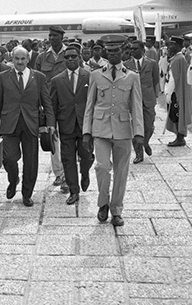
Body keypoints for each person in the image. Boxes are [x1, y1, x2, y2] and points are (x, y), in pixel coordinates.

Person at [83, 40, 144, 227]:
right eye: (108, 51)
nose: (112, 54)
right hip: (100, 129)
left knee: (121, 172)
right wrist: (86, 131)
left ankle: (116, 210)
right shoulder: (96, 75)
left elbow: (136, 106)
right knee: (101, 167)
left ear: (123, 52)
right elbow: (89, 105)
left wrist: (139, 133)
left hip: (123, 129)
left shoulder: (132, 76)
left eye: (116, 50)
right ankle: (103, 203)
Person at [0, 46, 55, 207]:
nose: (20, 62)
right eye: (16, 59)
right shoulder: (3, 77)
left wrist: (50, 123)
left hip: (31, 124)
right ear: (12, 60)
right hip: (9, 124)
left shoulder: (39, 77)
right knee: (9, 158)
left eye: (23, 59)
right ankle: (13, 180)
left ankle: (27, 194)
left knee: (31, 161)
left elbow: (46, 102)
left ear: (28, 59)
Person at [50, 43, 94, 205]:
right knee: (67, 159)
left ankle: (85, 173)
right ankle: (74, 190)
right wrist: (51, 125)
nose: (70, 60)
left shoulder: (89, 76)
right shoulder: (57, 80)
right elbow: (52, 106)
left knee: (86, 157)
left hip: (85, 126)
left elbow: (94, 102)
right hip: (66, 125)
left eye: (73, 56)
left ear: (79, 57)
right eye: (67, 57)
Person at [34, 26, 67, 190]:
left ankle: (68, 173)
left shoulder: (70, 54)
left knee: (68, 137)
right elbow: (36, 81)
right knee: (53, 137)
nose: (51, 38)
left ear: (62, 37)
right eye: (50, 35)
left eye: (55, 35)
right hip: (48, 104)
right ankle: (59, 174)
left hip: (68, 104)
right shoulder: (42, 57)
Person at [124, 40, 159, 162]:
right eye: (131, 49)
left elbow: (155, 81)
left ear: (142, 50)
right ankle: (139, 154)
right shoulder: (126, 65)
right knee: (135, 127)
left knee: (149, 126)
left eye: (135, 49)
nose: (132, 51)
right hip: (132, 100)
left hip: (148, 99)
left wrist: (152, 95)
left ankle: (145, 142)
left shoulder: (152, 63)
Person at [164, 36, 192, 146]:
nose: (170, 47)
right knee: (174, 114)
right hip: (176, 91)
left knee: (177, 114)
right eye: (169, 44)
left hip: (176, 92)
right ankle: (179, 136)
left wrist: (169, 93)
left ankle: (180, 138)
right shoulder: (176, 58)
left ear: (179, 46)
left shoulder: (178, 59)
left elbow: (173, 79)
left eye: (172, 44)